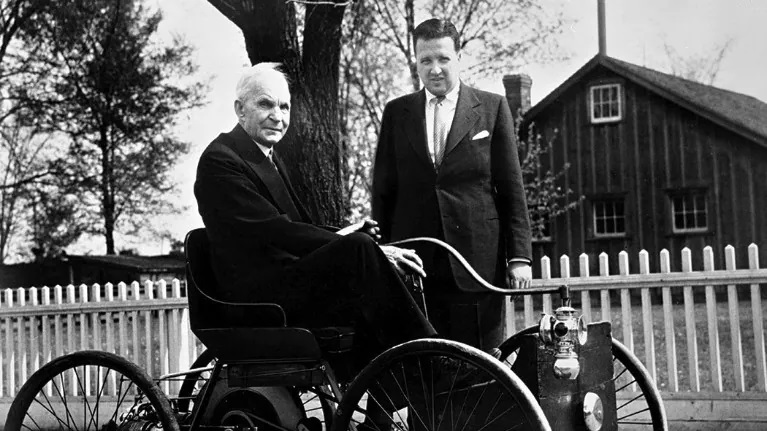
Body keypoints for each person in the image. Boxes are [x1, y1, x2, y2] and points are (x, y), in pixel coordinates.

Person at [194, 63, 436, 374]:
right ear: (240, 109)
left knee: (371, 275)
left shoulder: (265, 156)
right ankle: (431, 359)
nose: (278, 116)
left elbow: (293, 226)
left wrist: (345, 232)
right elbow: (276, 231)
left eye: (285, 107)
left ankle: (397, 390)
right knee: (361, 251)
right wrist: (361, 247)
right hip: (256, 301)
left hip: (280, 285)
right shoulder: (221, 160)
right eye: (266, 104)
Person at [372, 18, 533, 351]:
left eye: (443, 59)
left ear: (459, 57)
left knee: (480, 363)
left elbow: (511, 188)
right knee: (421, 365)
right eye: (425, 60)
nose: (435, 69)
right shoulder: (397, 113)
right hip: (414, 264)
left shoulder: (491, 108)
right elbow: (383, 193)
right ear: (416, 63)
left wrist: (519, 257)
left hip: (475, 262)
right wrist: (384, 256)